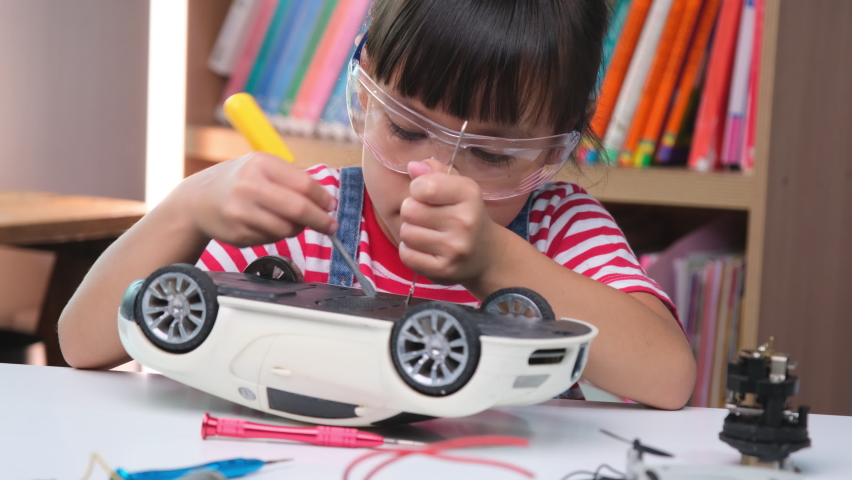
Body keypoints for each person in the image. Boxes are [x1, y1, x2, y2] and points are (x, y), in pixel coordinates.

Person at [59, 0, 696, 409]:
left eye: (494, 156)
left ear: (556, 149)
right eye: (409, 130)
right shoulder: (304, 218)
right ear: (365, 93)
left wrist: (495, 259)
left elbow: (668, 378)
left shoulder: (559, 230)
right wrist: (188, 206)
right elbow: (80, 343)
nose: (433, 179)